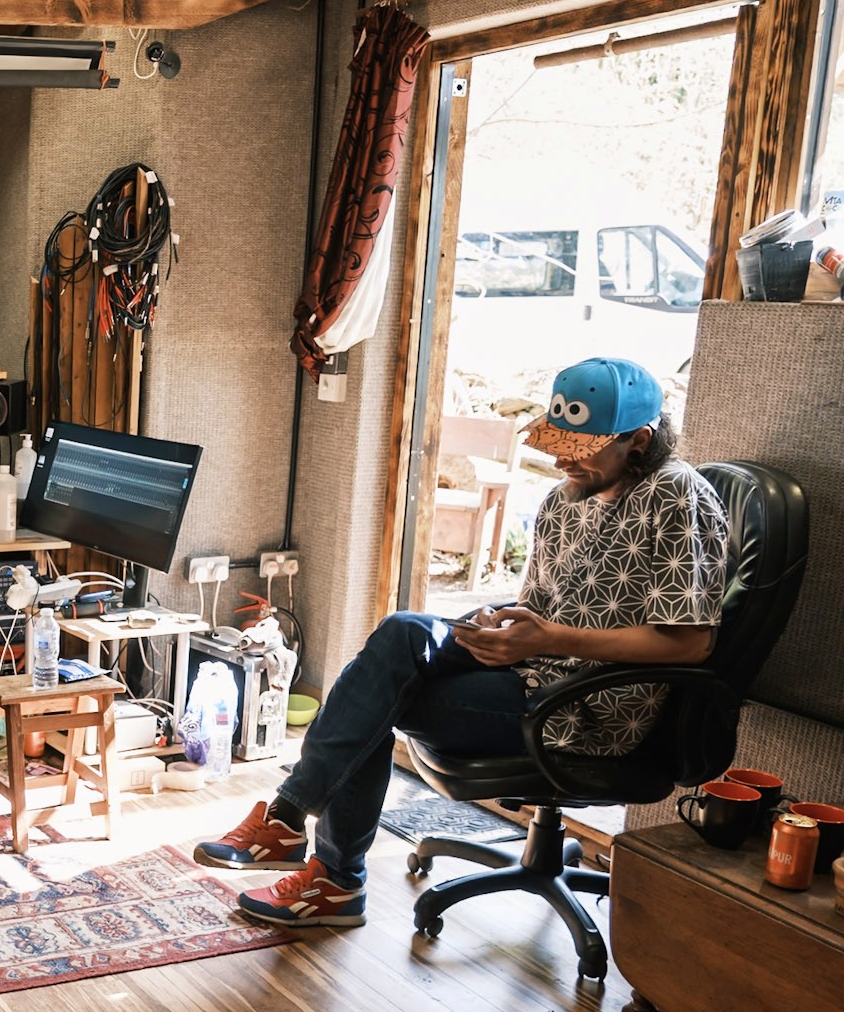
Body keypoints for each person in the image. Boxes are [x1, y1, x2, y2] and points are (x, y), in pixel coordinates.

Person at [196, 356, 729, 928]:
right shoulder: (564, 501)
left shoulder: (677, 497)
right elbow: (545, 608)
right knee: (402, 634)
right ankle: (299, 836)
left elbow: (690, 646)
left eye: (580, 448)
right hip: (530, 671)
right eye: (557, 443)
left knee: (369, 701)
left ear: (639, 441)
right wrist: (502, 622)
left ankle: (319, 858)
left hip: (581, 709)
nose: (559, 460)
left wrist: (549, 638)